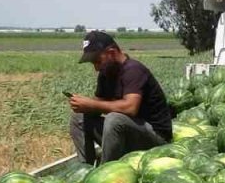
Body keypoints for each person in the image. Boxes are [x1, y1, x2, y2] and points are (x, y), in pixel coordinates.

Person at [68, 31, 173, 164]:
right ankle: (85, 168)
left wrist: (92, 104)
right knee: (79, 118)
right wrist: (85, 105)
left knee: (114, 119)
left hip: (156, 139)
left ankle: (105, 171)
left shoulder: (133, 70)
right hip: (129, 136)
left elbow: (130, 108)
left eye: (97, 61)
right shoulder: (106, 74)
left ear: (111, 53)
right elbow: (100, 104)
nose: (96, 68)